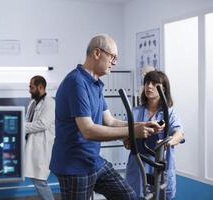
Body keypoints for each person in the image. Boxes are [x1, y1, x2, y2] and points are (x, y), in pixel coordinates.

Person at [49, 34, 163, 200]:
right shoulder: (76, 82)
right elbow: (88, 130)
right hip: (74, 165)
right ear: (97, 53)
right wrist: (131, 132)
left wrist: (143, 124)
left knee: (128, 196)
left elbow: (110, 121)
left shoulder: (95, 83)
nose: (114, 62)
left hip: (93, 161)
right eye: (112, 57)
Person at [125, 70, 184, 200]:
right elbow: (126, 139)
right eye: (147, 83)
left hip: (161, 164)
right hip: (139, 166)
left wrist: (168, 142)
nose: (149, 86)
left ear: (164, 88)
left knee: (161, 196)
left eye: (154, 83)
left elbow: (179, 134)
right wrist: (129, 140)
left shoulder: (170, 113)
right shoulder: (134, 112)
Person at [24, 75, 55, 200]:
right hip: (32, 145)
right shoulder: (32, 103)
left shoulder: (50, 103)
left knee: (40, 180)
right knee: (37, 179)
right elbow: (27, 120)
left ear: (40, 87)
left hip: (41, 147)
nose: (29, 89)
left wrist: (22, 126)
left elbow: (43, 124)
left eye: (31, 87)